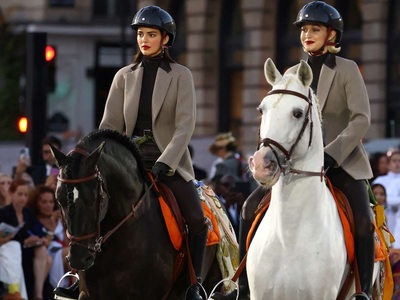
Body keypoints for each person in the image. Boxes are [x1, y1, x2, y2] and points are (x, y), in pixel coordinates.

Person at [213, 2, 375, 299]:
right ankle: (243, 285)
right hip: (292, 166)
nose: (307, 35)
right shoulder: (289, 73)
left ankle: (362, 291)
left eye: (315, 29)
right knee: (249, 208)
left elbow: (361, 119)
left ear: (331, 35)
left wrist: (331, 153)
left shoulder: (347, 70)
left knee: (364, 223)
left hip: (343, 164)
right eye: (304, 30)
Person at [56, 6, 207, 300]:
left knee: (197, 220)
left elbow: (185, 125)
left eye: (151, 34)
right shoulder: (124, 76)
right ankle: (77, 278)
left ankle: (194, 284)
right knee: (88, 207)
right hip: (125, 164)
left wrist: (167, 161)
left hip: (169, 164)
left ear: (166, 39)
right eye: (140, 34)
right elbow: (108, 127)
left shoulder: (180, 75)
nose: (144, 40)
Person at [0, 179, 52, 300]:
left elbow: (39, 233)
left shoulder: (28, 213)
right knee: (46, 259)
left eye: (25, 195)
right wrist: (24, 242)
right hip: (9, 251)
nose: (23, 198)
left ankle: (38, 295)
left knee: (44, 254)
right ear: (12, 193)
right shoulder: (3, 213)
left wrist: (39, 239)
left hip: (27, 250)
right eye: (20, 194)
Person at [26, 185, 71, 290]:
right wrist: (52, 225)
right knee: (70, 253)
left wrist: (63, 224)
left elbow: (66, 242)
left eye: (51, 202)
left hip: (62, 252)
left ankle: (75, 288)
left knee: (72, 253)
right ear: (36, 202)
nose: (48, 205)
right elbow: (45, 243)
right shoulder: (33, 220)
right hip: (45, 253)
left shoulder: (59, 218)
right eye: (44, 202)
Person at [373, 151, 400, 248]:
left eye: (399, 161)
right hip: (382, 218)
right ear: (388, 164)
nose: (397, 164)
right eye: (394, 161)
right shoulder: (380, 181)